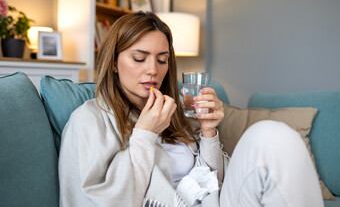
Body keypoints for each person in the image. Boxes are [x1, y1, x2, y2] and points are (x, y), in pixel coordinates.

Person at [59, 12, 324, 207]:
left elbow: (213, 182)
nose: (153, 70)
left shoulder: (171, 113)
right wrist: (144, 135)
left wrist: (208, 132)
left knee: (272, 134)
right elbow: (92, 200)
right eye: (139, 58)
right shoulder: (88, 119)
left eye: (162, 60)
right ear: (114, 62)